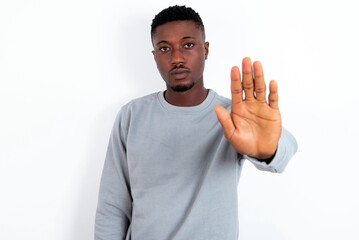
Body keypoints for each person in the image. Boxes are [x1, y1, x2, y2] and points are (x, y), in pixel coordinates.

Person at [95, 5, 297, 240]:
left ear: (206, 49)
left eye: (188, 45)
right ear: (154, 56)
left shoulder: (234, 116)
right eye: (164, 48)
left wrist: (267, 150)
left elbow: (285, 148)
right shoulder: (132, 115)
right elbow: (112, 206)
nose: (177, 58)